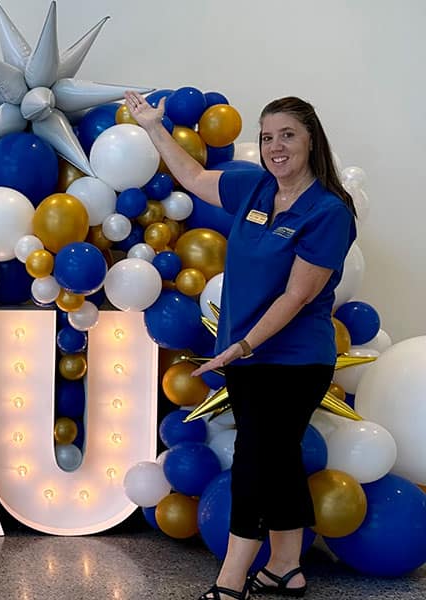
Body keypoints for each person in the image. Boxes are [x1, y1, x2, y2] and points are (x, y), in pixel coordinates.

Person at [125, 92, 356, 600]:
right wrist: (153, 127)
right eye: (268, 136)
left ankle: (231, 583)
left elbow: (298, 295)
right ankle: (287, 568)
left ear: (312, 140)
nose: (275, 146)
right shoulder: (254, 187)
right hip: (246, 356)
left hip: (293, 361)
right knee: (279, 460)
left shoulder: (328, 211)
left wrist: (244, 344)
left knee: (254, 460)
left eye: (287, 135)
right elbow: (191, 177)